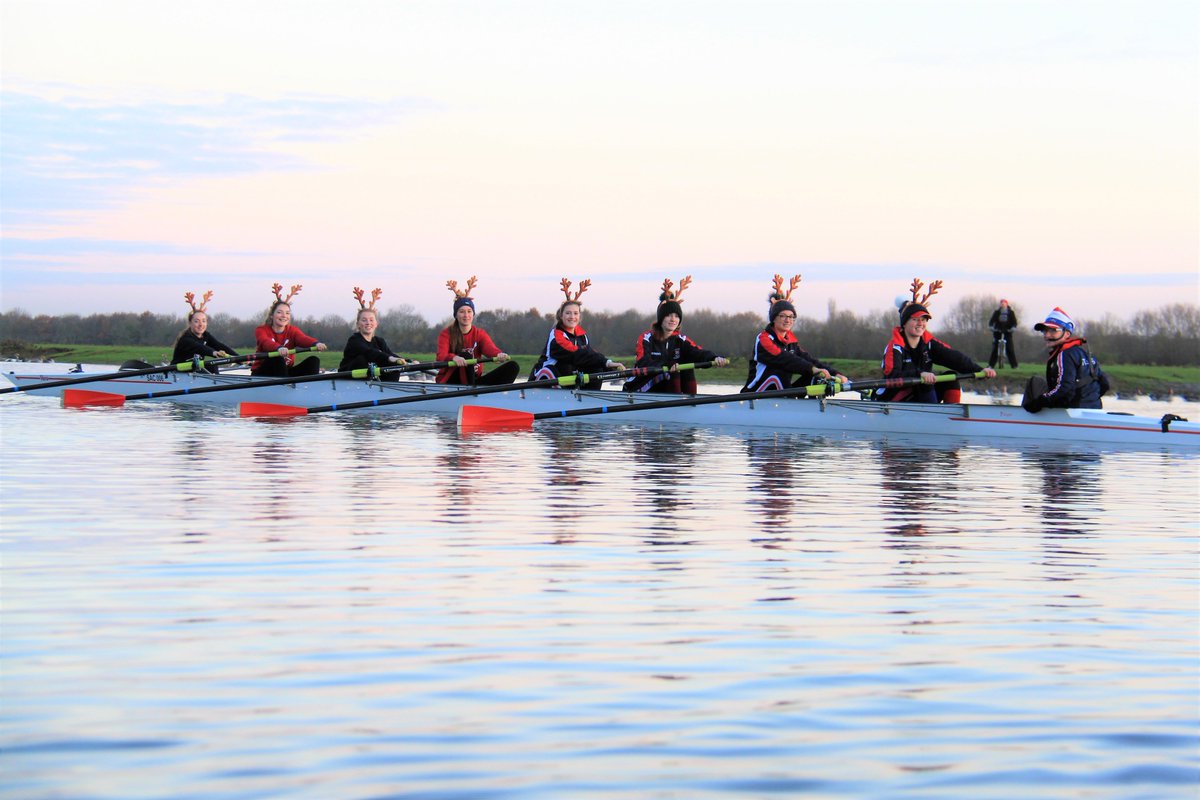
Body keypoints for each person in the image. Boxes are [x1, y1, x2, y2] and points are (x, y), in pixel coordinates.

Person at [875, 278, 995, 403]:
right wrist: (919, 374)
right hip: (893, 399)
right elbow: (892, 375)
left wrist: (980, 370)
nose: (920, 323)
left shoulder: (930, 344)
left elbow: (955, 359)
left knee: (950, 378)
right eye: (915, 319)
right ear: (905, 323)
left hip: (919, 394)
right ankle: (934, 416)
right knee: (925, 381)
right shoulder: (895, 347)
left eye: (924, 320)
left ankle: (952, 416)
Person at [741, 274, 847, 393]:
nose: (788, 320)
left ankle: (810, 407)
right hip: (754, 394)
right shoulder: (764, 339)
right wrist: (812, 369)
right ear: (774, 318)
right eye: (783, 316)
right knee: (780, 371)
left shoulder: (791, 342)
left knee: (818, 376)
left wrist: (836, 374)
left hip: (778, 394)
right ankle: (791, 403)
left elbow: (809, 361)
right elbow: (786, 359)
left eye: (791, 317)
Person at [623, 276, 728, 394]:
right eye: (669, 315)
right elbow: (643, 361)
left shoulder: (681, 340)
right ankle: (679, 404)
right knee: (672, 370)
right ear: (661, 318)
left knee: (686, 367)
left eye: (677, 316)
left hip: (668, 387)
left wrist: (714, 358)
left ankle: (691, 404)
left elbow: (698, 352)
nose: (673, 319)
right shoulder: (646, 338)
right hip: (642, 388)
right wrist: (666, 364)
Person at [529, 278, 626, 389]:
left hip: (566, 380)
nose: (572, 317)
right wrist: (607, 363)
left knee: (596, 368)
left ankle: (589, 399)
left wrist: (610, 365)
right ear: (561, 316)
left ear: (579, 316)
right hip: (544, 377)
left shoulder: (582, 337)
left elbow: (590, 355)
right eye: (568, 313)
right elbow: (576, 354)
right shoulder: (557, 335)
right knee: (565, 366)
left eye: (575, 313)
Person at [436, 276, 520, 385]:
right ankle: (473, 393)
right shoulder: (446, 333)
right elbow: (441, 356)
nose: (466, 315)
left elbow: (490, 349)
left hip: (474, 380)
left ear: (473, 314)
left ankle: (487, 395)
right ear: (456, 315)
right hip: (451, 381)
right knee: (466, 355)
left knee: (513, 367)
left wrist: (499, 354)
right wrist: (454, 358)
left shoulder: (479, 334)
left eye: (469, 311)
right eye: (461, 312)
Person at [1022, 307, 1109, 412]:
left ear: (1067, 333)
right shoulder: (1085, 353)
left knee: (1034, 382)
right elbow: (1104, 383)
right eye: (1045, 331)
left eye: (1053, 330)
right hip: (1095, 410)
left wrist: (1038, 403)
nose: (1047, 335)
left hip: (1071, 412)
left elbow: (1063, 388)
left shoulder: (1064, 355)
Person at [251, 283, 327, 377]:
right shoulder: (261, 330)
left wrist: (316, 343)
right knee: (277, 358)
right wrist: (278, 348)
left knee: (314, 361)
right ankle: (284, 388)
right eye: (279, 312)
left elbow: (302, 339)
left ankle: (307, 388)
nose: (284, 316)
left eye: (287, 313)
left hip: (284, 372)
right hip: (262, 373)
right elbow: (265, 342)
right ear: (272, 316)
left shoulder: (292, 330)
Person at [338, 286, 407, 381]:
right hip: (348, 379)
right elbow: (369, 353)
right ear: (358, 324)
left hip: (369, 379)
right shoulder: (354, 340)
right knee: (363, 359)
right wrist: (390, 358)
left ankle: (389, 389)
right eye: (364, 320)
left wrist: (407, 361)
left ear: (376, 324)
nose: (368, 323)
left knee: (393, 363)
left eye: (371, 320)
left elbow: (391, 354)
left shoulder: (379, 341)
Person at [171, 290, 239, 372]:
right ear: (190, 323)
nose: (200, 324)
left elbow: (219, 346)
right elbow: (200, 348)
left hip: (193, 371)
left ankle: (215, 384)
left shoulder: (206, 336)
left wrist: (239, 358)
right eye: (196, 321)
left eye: (203, 321)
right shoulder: (185, 339)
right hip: (177, 373)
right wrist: (214, 353)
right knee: (211, 365)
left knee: (213, 366)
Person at [988, 298, 1019, 368]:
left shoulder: (1011, 313)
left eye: (1004, 303)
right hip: (998, 332)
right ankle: (991, 365)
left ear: (1006, 304)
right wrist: (991, 327)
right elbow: (991, 321)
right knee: (995, 349)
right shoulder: (997, 312)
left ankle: (1014, 365)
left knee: (1010, 349)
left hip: (1007, 332)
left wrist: (1013, 328)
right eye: (1001, 303)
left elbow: (1014, 322)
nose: (1002, 304)